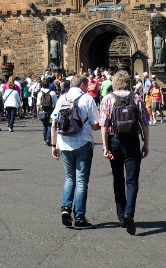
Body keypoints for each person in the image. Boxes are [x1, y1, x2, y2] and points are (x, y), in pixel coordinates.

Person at [100, 70, 150, 235]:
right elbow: (145, 123)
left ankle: (121, 217)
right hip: (132, 141)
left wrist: (105, 147)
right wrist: (146, 144)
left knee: (118, 179)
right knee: (132, 181)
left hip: (114, 140)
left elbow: (104, 125)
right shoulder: (136, 98)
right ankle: (129, 213)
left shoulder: (108, 99)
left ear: (114, 83)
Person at [50, 74, 100, 228]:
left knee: (69, 178)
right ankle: (79, 218)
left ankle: (66, 208)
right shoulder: (87, 99)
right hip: (83, 143)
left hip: (64, 143)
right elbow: (95, 125)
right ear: (83, 85)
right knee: (81, 181)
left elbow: (54, 124)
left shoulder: (62, 98)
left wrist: (53, 145)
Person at [36, 79, 57, 145]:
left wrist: (37, 113)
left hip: (43, 111)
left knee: (44, 125)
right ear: (48, 86)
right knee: (50, 124)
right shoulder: (52, 93)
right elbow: (56, 103)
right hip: (51, 111)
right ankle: (48, 138)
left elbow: (38, 104)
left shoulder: (40, 93)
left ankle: (45, 138)